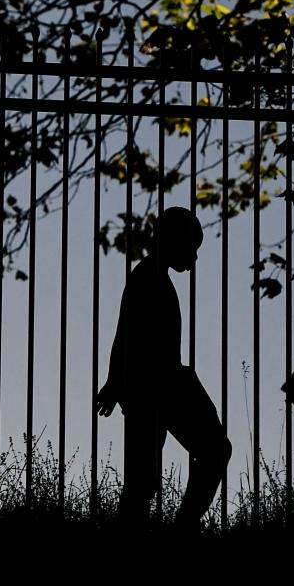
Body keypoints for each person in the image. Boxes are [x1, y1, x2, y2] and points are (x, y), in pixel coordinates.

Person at [96, 205, 232, 528]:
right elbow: (125, 333)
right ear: (174, 240)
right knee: (144, 483)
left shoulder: (151, 276)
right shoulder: (146, 277)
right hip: (157, 388)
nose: (195, 258)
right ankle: (180, 527)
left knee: (147, 481)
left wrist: (116, 382)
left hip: (162, 386)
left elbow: (123, 334)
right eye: (192, 248)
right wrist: (116, 382)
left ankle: (178, 526)